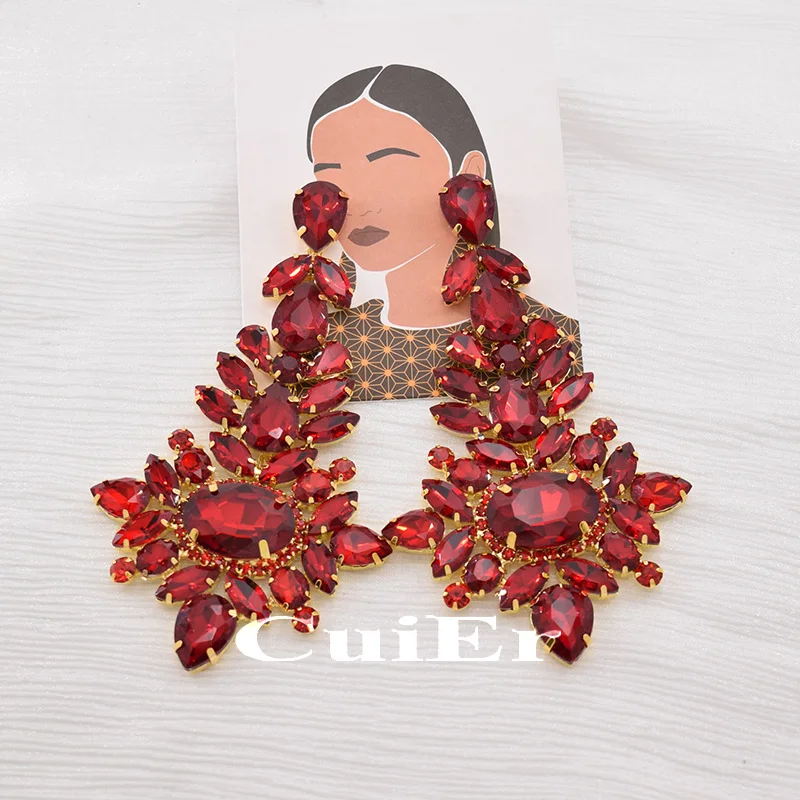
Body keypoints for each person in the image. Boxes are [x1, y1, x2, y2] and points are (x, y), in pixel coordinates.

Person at [307, 64, 499, 328]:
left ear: (470, 173)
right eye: (330, 176)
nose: (357, 207)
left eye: (386, 166)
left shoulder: (537, 334)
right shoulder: (324, 336)